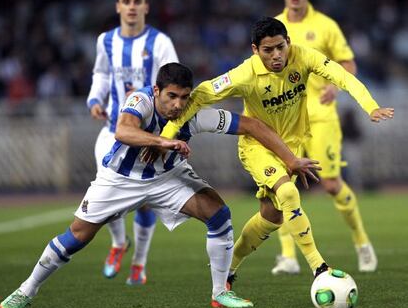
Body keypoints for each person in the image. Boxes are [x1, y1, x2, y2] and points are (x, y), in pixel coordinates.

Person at [0, 62, 322, 308]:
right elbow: (124, 131)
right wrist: (162, 140)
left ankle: (220, 292)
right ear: (157, 91)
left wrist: (290, 159)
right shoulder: (140, 99)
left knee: (218, 213)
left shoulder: (193, 113)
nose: (178, 105)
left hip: (167, 179)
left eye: (184, 97)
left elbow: (250, 125)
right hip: (120, 180)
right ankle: (26, 290)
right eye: (171, 96)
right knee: (77, 236)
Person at [159, 18, 394, 288]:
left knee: (271, 217)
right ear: (255, 50)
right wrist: (165, 137)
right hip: (257, 146)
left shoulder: (303, 57)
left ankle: (229, 269)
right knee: (288, 193)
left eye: (280, 47)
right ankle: (319, 267)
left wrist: (370, 106)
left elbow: (342, 76)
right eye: (268, 50)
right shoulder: (244, 74)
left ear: (288, 43)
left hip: (291, 146)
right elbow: (201, 95)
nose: (276, 55)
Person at [271, 0, 378, 274]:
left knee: (331, 184)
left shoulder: (326, 25)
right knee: (282, 184)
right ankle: (288, 256)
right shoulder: (274, 27)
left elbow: (348, 64)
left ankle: (361, 241)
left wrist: (336, 86)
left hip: (321, 116)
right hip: (286, 117)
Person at [87, 0, 178, 284]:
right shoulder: (106, 41)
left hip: (149, 134)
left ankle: (139, 263)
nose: (131, 7)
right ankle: (118, 243)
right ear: (118, 6)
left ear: (146, 7)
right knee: (107, 194)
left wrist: (165, 135)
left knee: (145, 200)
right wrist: (95, 99)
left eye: (137, 2)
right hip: (113, 130)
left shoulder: (160, 43)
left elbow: (174, 85)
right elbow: (101, 73)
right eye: (126, 1)